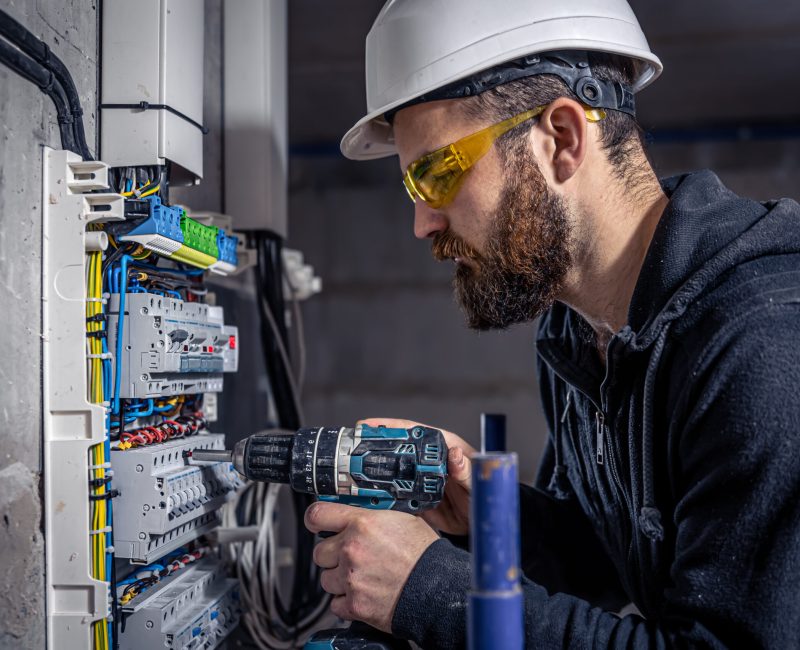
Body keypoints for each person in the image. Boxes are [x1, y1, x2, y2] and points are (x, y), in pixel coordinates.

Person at [303, 1, 800, 647]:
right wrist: (491, 522)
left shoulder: (763, 340)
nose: (423, 223)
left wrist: (428, 592)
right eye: (413, 191)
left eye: (438, 173)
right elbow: (613, 556)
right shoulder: (577, 333)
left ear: (562, 138)